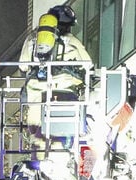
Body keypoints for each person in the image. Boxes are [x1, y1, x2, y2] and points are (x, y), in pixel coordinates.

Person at [19, 5, 92, 140]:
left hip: (35, 99)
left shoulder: (31, 40)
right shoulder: (71, 40)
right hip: (64, 98)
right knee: (68, 140)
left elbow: (23, 67)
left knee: (37, 143)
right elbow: (88, 65)